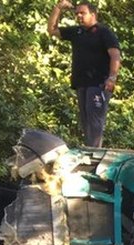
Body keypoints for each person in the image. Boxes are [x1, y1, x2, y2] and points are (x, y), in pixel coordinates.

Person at [47, 1, 121, 147]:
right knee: (86, 121)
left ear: (93, 14)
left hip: (99, 83)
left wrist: (112, 78)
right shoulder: (77, 32)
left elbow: (115, 55)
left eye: (83, 13)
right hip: (81, 83)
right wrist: (58, 8)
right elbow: (51, 30)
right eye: (77, 13)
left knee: (94, 122)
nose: (79, 16)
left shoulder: (103, 32)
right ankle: (89, 151)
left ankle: (94, 154)